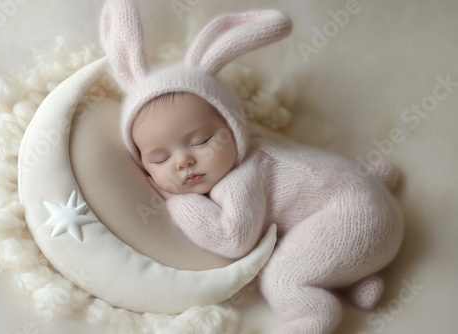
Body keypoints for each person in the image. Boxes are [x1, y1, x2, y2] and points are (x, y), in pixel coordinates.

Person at [100, 0, 404, 332]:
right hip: (368, 204)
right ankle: (355, 275)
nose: (183, 161)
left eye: (201, 140)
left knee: (282, 276)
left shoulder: (241, 178)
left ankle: (313, 316)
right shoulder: (262, 146)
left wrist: (177, 201)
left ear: (233, 128)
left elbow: (233, 238)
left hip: (358, 220)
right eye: (159, 158)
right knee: (307, 243)